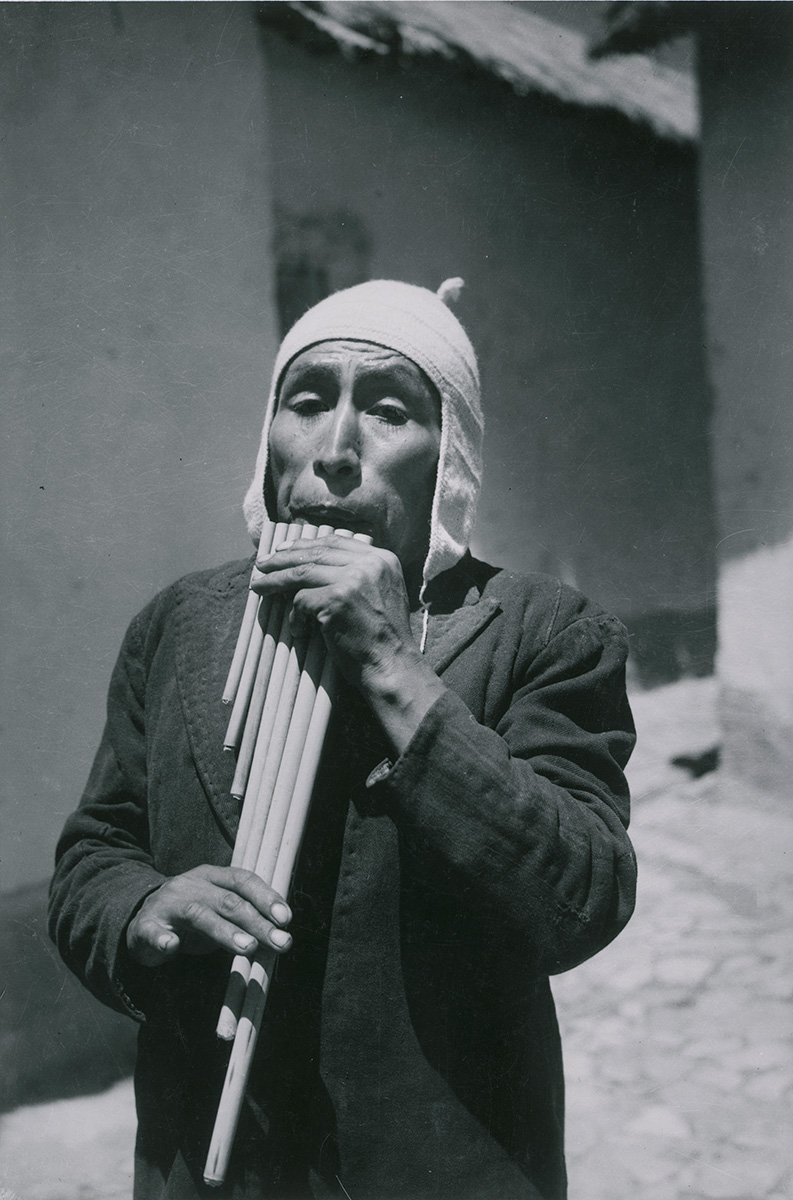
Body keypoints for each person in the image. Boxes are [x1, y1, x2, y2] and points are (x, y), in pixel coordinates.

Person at [49, 279, 637, 1200]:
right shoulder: (175, 626)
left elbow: (584, 896)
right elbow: (94, 853)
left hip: (443, 1164)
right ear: (269, 439)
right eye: (308, 401)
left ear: (448, 457)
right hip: (213, 1160)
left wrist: (393, 665)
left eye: (390, 411)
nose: (335, 452)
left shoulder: (543, 631)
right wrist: (146, 910)